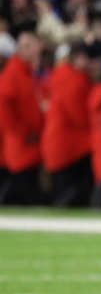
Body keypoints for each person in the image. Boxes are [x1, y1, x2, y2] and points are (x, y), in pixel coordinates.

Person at [41, 42, 94, 206]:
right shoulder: (74, 79)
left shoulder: (58, 76)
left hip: (57, 143)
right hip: (70, 145)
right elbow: (78, 116)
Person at [0, 30, 44, 204]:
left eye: (29, 45)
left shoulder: (29, 73)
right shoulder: (13, 73)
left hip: (30, 141)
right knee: (23, 190)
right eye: (23, 46)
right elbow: (3, 108)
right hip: (21, 143)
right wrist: (21, 132)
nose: (26, 50)